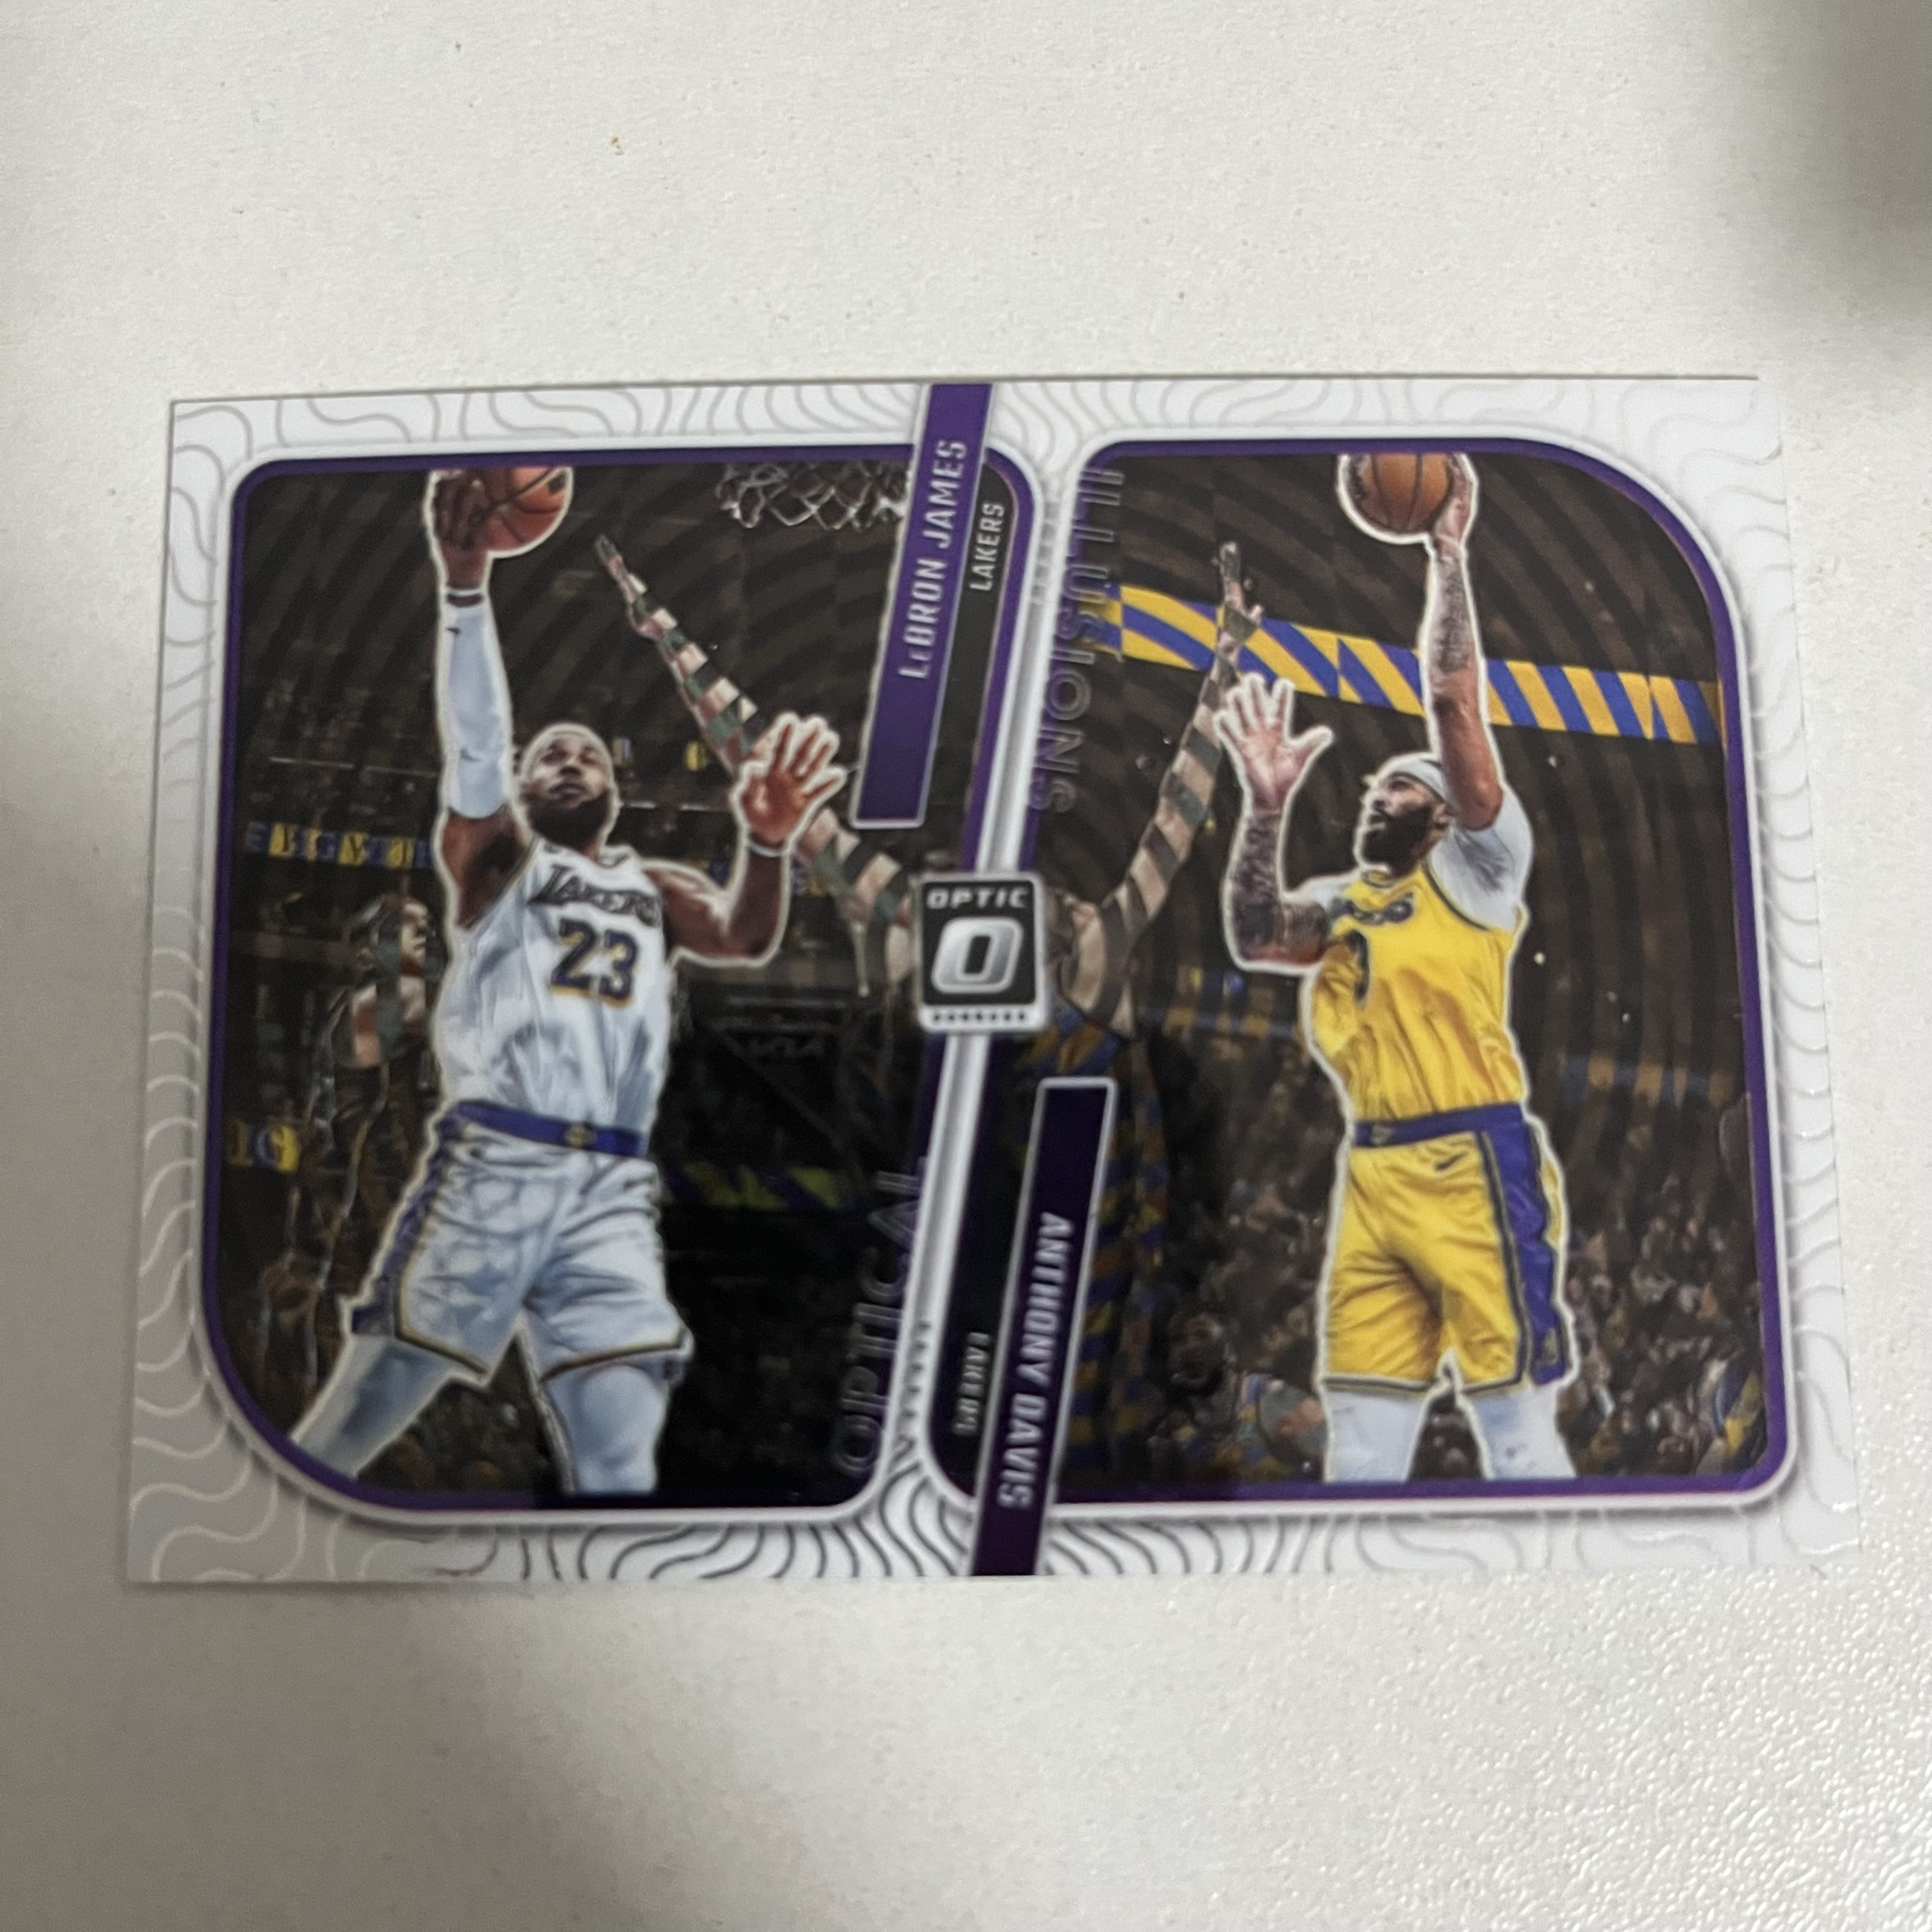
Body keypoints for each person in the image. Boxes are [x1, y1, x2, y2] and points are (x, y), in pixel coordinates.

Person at [292, 472, 845, 1493]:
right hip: (497, 1160)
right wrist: (466, 587)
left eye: (587, 755)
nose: (569, 760)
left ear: (615, 792)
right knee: (357, 1422)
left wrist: (766, 843)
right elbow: (474, 745)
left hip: (613, 1189)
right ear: (522, 786)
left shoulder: (655, 886)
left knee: (621, 1464)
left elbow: (742, 936)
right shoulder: (498, 861)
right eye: (550, 754)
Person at [1216, 455, 1575, 1482]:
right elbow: (1256, 935)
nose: (1377, 795)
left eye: (1400, 788)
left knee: (1517, 1435)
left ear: (1446, 813)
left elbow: (1454, 706)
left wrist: (1447, 553)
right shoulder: (1347, 903)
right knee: (1361, 1453)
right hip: (1372, 1171)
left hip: (1473, 1161)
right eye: (1374, 789)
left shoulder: (1480, 868)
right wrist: (1268, 807)